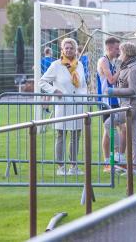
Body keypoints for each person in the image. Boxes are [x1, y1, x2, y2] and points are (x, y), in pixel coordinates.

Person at [39, 38, 87, 176]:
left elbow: (83, 85)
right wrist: (54, 91)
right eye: (66, 48)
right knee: (61, 135)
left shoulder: (80, 65)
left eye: (71, 48)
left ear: (75, 50)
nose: (69, 50)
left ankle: (73, 166)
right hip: (62, 105)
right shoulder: (56, 65)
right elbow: (42, 82)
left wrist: (85, 98)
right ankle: (60, 167)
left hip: (77, 105)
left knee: (75, 135)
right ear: (62, 50)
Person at [106, 42, 136, 176]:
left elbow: (132, 90)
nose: (119, 54)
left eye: (121, 52)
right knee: (134, 136)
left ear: (127, 54)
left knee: (109, 122)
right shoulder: (128, 66)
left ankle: (119, 154)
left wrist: (113, 91)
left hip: (132, 105)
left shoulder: (134, 68)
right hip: (129, 104)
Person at [96, 37, 123, 171]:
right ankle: (116, 158)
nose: (119, 51)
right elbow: (111, 80)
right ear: (110, 48)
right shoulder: (103, 61)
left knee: (107, 132)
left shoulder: (112, 61)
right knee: (118, 128)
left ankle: (109, 162)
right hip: (106, 101)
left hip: (114, 100)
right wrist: (121, 69)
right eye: (117, 48)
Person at [40, 47, 56, 113]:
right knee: (49, 94)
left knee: (44, 94)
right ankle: (46, 108)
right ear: (50, 52)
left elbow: (35, 67)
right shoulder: (52, 60)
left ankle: (43, 108)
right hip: (50, 79)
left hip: (43, 79)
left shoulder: (42, 60)